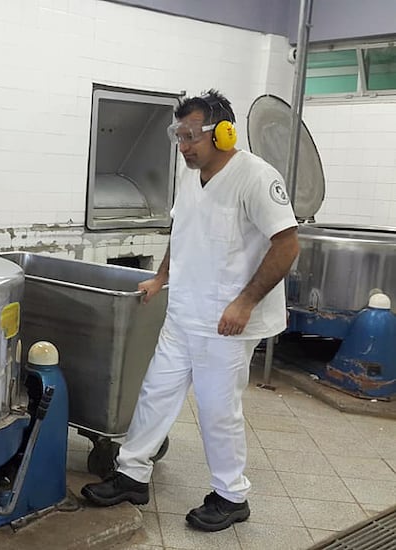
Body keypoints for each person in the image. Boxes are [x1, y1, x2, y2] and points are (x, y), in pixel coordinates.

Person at [81, 89, 299, 532]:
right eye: (178, 136)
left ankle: (231, 495)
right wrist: (161, 277)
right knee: (155, 393)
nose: (183, 147)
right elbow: (183, 232)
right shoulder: (190, 175)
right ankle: (132, 473)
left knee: (218, 408)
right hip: (184, 312)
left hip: (228, 322)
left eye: (190, 137)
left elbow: (287, 243)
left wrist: (244, 301)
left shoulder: (255, 177)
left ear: (223, 132)